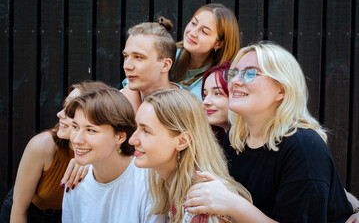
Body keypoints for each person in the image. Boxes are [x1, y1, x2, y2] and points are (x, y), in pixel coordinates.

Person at [184, 41, 354, 222]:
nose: (234, 81)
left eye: (250, 73)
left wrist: (233, 204)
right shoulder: (236, 139)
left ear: (281, 89)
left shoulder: (304, 147)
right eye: (234, 74)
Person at [129, 88, 252, 223]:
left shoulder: (203, 202)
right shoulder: (170, 185)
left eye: (146, 131)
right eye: (136, 128)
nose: (132, 140)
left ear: (182, 141)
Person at [0, 81, 109, 223]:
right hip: (29, 214)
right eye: (64, 106)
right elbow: (18, 210)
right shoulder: (42, 146)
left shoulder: (104, 152)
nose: (60, 114)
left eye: (70, 111)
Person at [62, 88, 165, 223]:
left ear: (120, 137)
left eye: (90, 130)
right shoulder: (75, 179)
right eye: (75, 127)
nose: (76, 140)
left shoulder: (148, 181)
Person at [170, 3, 239, 99]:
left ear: (219, 44)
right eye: (193, 23)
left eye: (204, 31)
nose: (192, 33)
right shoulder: (169, 54)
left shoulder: (217, 78)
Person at [121, 16, 180, 111]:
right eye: (126, 56)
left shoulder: (188, 107)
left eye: (138, 57)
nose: (127, 66)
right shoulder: (113, 104)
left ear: (165, 65)